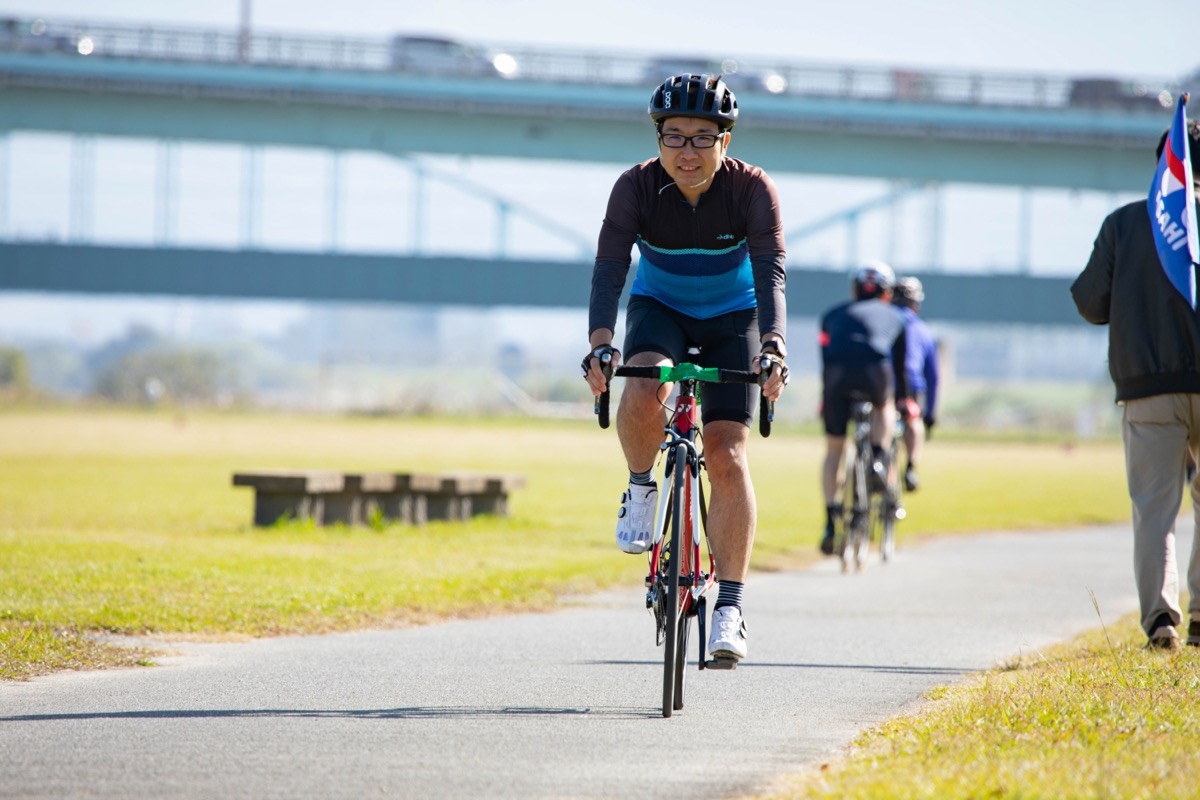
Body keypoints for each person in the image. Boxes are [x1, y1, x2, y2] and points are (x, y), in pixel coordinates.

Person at [581, 73, 789, 663]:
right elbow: (608, 270)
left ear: (725, 141)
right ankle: (642, 487)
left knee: (725, 452)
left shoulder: (752, 190)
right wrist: (600, 344)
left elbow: (771, 270)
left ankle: (730, 607)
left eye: (702, 137)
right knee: (644, 379)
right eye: (674, 136)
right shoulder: (635, 188)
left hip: (734, 317)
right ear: (658, 138)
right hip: (661, 310)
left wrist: (772, 346)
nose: (687, 151)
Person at [1071, 118, 1200, 650]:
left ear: (1162, 163)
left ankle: (1160, 621)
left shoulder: (1124, 223)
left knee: (1155, 508)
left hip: (1148, 387)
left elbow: (1088, 302)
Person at [817, 260, 909, 556]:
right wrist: (903, 400)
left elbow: (826, 356)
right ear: (886, 293)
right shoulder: (897, 316)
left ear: (855, 290)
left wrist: (826, 396)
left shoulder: (831, 315)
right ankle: (879, 459)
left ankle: (831, 519)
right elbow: (899, 366)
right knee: (884, 406)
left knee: (834, 449)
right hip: (875, 372)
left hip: (836, 377)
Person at [892, 276, 940, 492]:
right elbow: (933, 375)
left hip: (882, 382)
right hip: (913, 385)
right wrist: (930, 413)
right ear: (916, 304)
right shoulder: (923, 330)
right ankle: (910, 467)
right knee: (914, 422)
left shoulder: (883, 321)